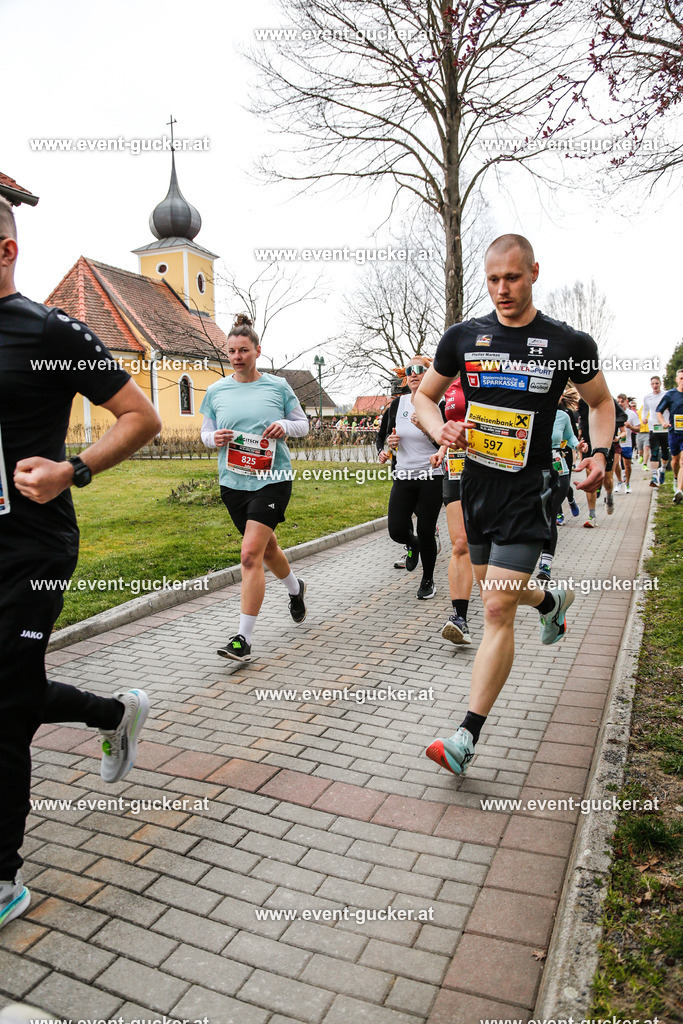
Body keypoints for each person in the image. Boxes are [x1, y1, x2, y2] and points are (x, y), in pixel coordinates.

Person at [0, 197, 162, 930]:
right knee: (15, 688)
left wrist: (74, 470)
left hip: (32, 548)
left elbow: (142, 417)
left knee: (3, 708)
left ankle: (3, 879)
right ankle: (114, 714)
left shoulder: (48, 331)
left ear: (5, 252)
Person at [413, 233, 615, 777]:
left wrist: (598, 452)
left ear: (534, 273)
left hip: (530, 492)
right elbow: (422, 399)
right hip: (477, 486)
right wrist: (440, 429)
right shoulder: (464, 337)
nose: (502, 290)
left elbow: (601, 403)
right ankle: (550, 601)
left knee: (496, 607)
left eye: (513, 278)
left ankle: (465, 736)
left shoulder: (567, 342)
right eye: (493, 280)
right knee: (496, 588)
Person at [200, 314, 309, 662]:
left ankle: (242, 640)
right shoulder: (216, 391)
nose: (236, 356)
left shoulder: (277, 386)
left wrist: (282, 426)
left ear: (257, 350)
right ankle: (296, 589)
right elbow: (205, 433)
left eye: (243, 350)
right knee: (266, 549)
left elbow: (303, 425)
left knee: (249, 555)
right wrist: (211, 438)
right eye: (231, 351)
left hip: (272, 480)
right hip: (233, 482)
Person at [378, 356, 444, 599]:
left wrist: (426, 429)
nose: (413, 374)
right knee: (396, 529)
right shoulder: (398, 404)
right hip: (404, 475)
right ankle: (412, 544)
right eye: (409, 370)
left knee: (426, 529)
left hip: (431, 476)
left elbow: (445, 443)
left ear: (430, 374)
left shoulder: (439, 403)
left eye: (419, 369)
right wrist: (390, 443)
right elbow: (387, 437)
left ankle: (428, 579)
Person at [431, 375, 475, 643]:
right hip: (457, 467)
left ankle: (545, 602)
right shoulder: (451, 384)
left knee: (492, 548)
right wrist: (442, 448)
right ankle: (460, 619)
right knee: (460, 544)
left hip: (495, 467)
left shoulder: (495, 373)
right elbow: (454, 425)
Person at [536, 398, 580, 582]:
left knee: (550, 516)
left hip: (558, 469)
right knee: (536, 515)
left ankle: (545, 564)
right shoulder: (530, 412)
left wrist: (579, 446)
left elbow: (570, 437)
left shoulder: (562, 416)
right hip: (534, 470)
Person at [656, 368, 683, 504]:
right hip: (674, 432)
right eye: (681, 378)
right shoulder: (670, 395)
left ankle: (679, 490)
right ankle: (676, 479)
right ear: (677, 379)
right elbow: (659, 411)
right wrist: (663, 423)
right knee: (676, 460)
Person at [643, 376, 669, 488]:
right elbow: (645, 410)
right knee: (654, 451)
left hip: (666, 426)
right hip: (653, 427)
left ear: (660, 384)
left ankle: (662, 470)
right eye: (653, 384)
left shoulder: (666, 395)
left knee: (665, 452)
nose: (655, 386)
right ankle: (654, 477)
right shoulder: (647, 397)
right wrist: (644, 418)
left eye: (657, 383)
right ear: (650, 384)